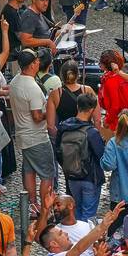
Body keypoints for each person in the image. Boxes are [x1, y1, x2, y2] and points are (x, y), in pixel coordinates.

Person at [9, 50, 57, 212]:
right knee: (47, 174)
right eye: (36, 61)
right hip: (37, 137)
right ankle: (44, 207)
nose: (38, 63)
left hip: (23, 135)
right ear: (31, 65)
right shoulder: (33, 88)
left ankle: (32, 203)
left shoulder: (15, 81)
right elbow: (37, 116)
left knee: (29, 171)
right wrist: (50, 111)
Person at [54, 93, 106, 221]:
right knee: (88, 215)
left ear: (78, 106)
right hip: (90, 178)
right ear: (92, 109)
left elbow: (58, 152)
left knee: (75, 212)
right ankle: (85, 239)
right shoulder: (91, 132)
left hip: (71, 177)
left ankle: (76, 238)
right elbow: (102, 156)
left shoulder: (64, 128)